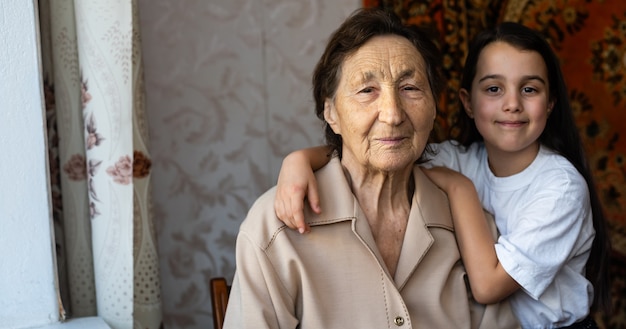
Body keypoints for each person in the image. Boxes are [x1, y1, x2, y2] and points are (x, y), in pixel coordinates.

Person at [273, 22, 611, 329]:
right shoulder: (459, 157)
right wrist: (299, 160)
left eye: (530, 89)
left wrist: (459, 187)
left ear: (550, 103)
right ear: (467, 101)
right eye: (494, 89)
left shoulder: (561, 188)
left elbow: (487, 286)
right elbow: (377, 148)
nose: (512, 104)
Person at [223, 8, 519, 329]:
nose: (392, 114)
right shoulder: (275, 228)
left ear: (434, 107)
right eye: (367, 91)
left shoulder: (470, 223)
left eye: (410, 88)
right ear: (330, 112)